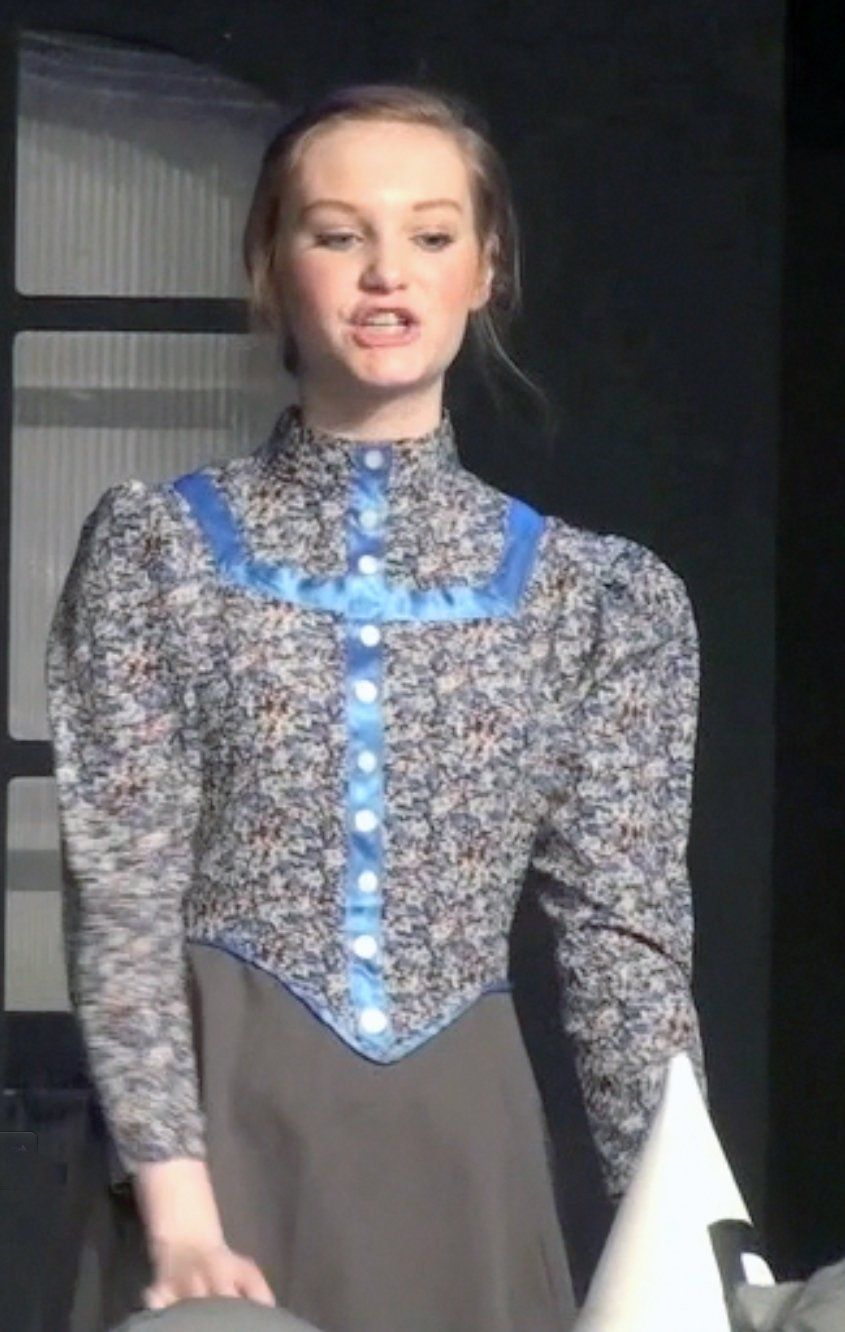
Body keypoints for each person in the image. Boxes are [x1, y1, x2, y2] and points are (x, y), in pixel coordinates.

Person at [45, 82, 705, 1332]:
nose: (386, 274)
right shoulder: (157, 552)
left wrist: (698, 1243)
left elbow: (624, 954)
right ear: (270, 264)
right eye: (338, 234)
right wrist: (180, 1217)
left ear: (485, 269)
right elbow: (122, 904)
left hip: (462, 1156)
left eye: (431, 235)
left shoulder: (596, 599)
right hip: (218, 1155)